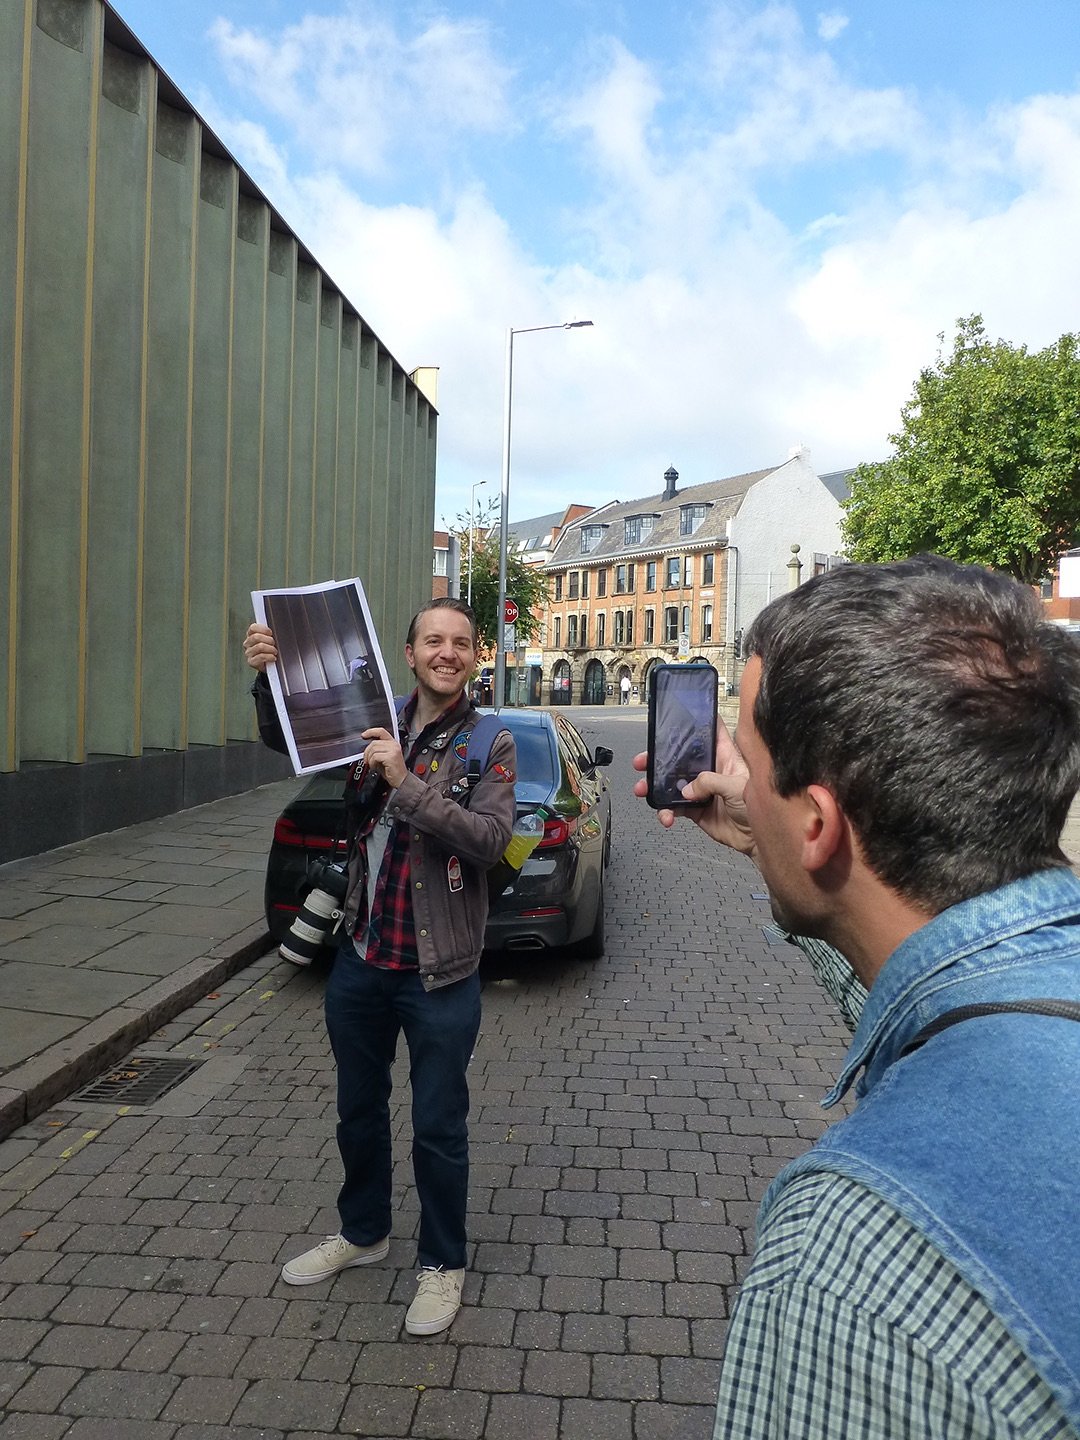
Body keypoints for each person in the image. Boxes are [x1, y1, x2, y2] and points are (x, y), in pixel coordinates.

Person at [634, 556, 1080, 1438]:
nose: (744, 789)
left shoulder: (851, 1252)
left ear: (820, 822)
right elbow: (926, 998)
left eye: (754, 768)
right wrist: (769, 841)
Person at [245, 596, 516, 1336]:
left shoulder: (489, 742)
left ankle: (442, 1262)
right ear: (409, 651)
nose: (448, 652)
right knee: (357, 1114)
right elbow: (289, 741)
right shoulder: (371, 716)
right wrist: (272, 679)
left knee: (438, 1125)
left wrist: (404, 782)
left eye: (461, 642)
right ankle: (364, 1233)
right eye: (434, 640)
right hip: (363, 959)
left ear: (475, 656)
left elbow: (489, 842)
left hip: (442, 974)